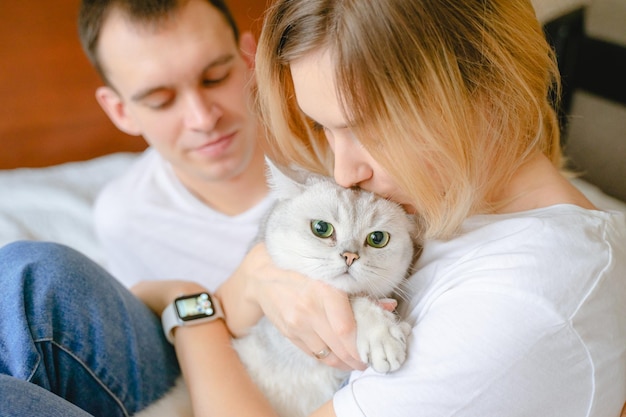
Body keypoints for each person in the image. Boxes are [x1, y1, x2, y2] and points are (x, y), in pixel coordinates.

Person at [1, 1, 625, 417]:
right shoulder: (451, 196)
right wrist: (249, 284)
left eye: (366, 128)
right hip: (225, 370)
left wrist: (188, 307)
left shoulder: (522, 305)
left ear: (482, 90)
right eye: (327, 131)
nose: (345, 172)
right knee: (30, 278)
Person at [79, 0, 273, 288]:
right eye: (161, 102)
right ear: (121, 111)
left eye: (214, 79)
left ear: (248, 58)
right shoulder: (126, 219)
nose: (203, 119)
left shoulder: (342, 148)